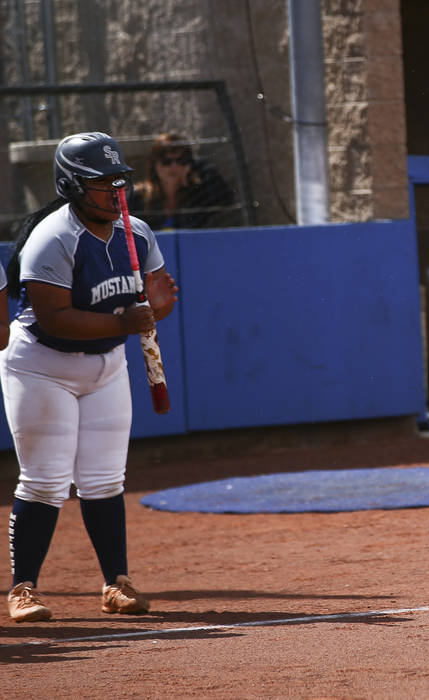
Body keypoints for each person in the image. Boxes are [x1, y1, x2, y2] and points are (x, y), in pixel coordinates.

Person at [2, 132, 178, 622]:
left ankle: (115, 583)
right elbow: (54, 316)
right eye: (101, 184)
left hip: (105, 364)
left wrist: (157, 307)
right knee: (45, 481)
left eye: (119, 182)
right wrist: (131, 320)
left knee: (104, 480)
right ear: (71, 185)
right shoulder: (53, 238)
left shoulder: (137, 232)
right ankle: (23, 589)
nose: (115, 192)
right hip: (42, 364)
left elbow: (154, 296)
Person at [130, 132, 235, 230]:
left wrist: (196, 165)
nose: (174, 166)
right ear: (154, 165)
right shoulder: (138, 197)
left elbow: (226, 199)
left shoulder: (198, 195)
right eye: (166, 162)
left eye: (181, 161)